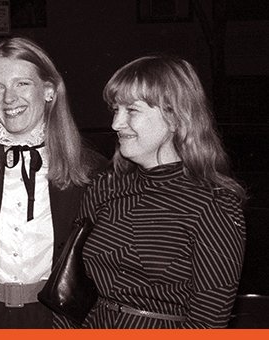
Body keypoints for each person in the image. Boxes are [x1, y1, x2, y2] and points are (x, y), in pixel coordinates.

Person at [77, 55, 246, 328]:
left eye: (131, 110)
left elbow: (208, 324)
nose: (115, 124)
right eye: (115, 110)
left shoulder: (214, 204)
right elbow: (70, 283)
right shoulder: (104, 187)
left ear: (176, 117)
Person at [0, 36, 105, 328]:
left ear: (48, 91)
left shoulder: (89, 171)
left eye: (22, 83)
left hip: (56, 319)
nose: (9, 98)